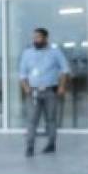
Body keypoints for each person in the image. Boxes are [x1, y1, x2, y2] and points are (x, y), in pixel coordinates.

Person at [18, 27, 70, 157]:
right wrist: (26, 87)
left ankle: (51, 144)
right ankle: (29, 147)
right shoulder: (27, 53)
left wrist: (62, 87)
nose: (35, 40)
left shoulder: (55, 52)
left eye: (38, 37)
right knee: (32, 120)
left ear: (45, 38)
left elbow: (65, 70)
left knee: (51, 119)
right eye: (34, 37)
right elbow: (22, 73)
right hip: (33, 92)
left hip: (50, 91)